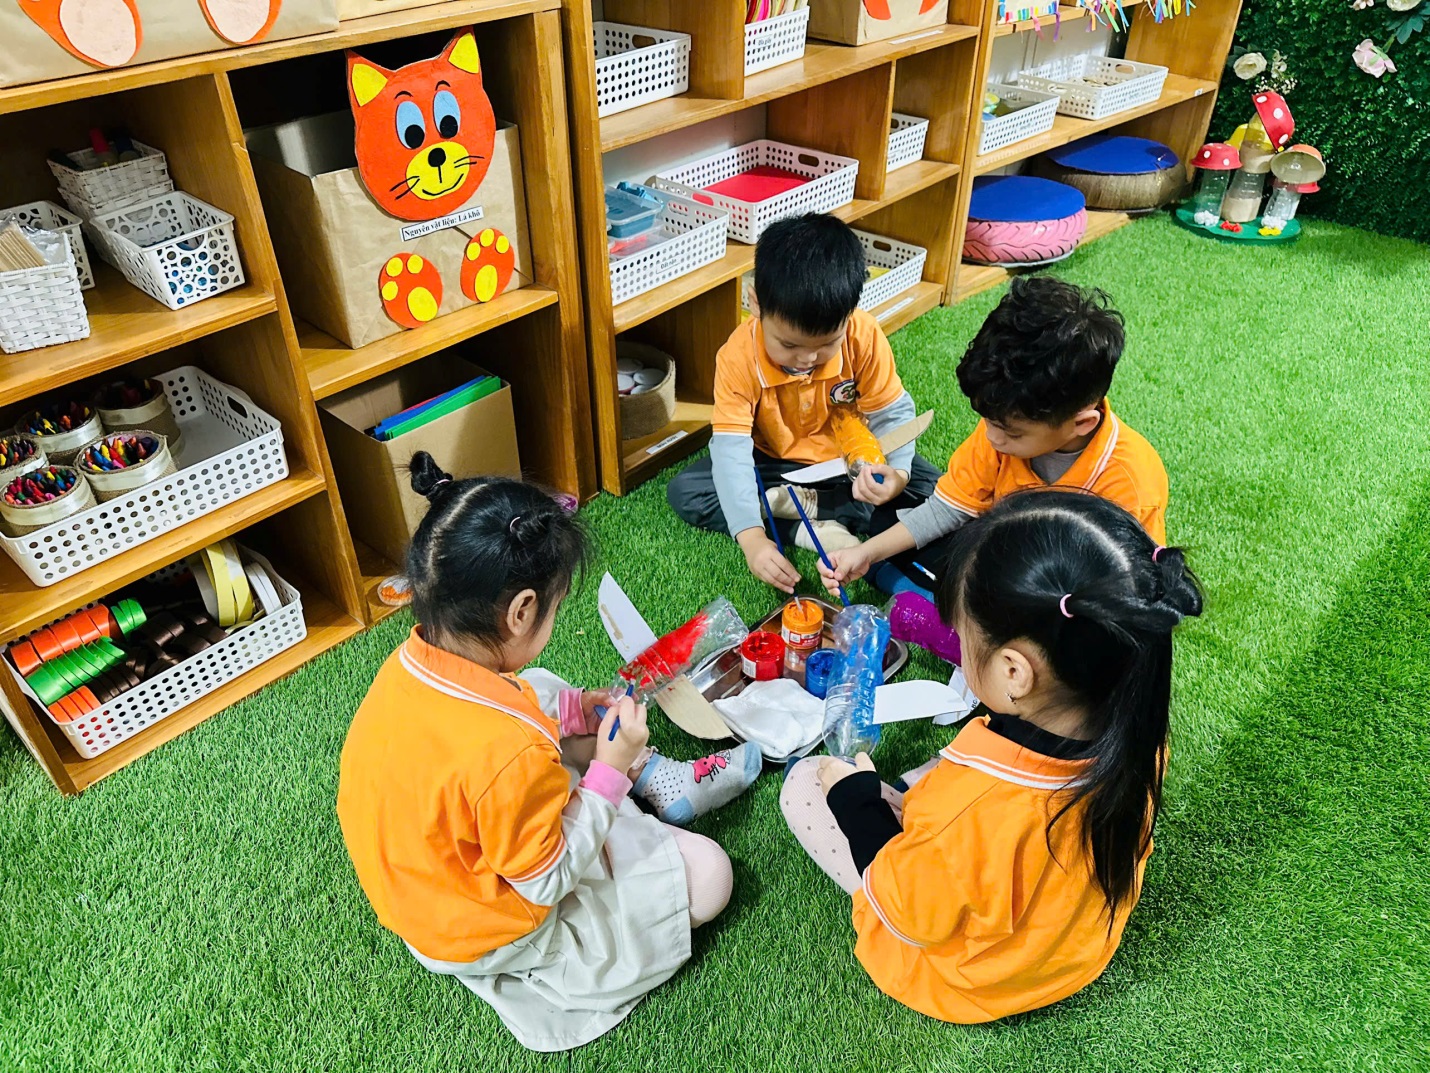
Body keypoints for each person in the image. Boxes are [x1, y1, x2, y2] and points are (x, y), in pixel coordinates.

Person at [336, 454, 760, 1052]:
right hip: (491, 926)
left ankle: (651, 779)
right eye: (555, 608)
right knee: (710, 875)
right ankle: (647, 784)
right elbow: (547, 881)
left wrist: (575, 711)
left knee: (537, 687)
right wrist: (609, 771)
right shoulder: (505, 755)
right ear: (521, 611)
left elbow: (488, 740)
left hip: (429, 884)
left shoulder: (411, 664)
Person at [782, 491, 1203, 1022]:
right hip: (1072, 951)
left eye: (962, 639)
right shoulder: (1139, 738)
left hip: (975, 979)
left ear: (1014, 672)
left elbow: (910, 909)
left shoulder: (974, 811)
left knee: (805, 782)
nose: (959, 650)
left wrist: (853, 797)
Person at [819, 277, 1168, 599]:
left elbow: (1129, 591)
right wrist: (866, 553)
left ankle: (940, 603)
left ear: (1081, 423)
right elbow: (948, 510)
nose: (991, 437)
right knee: (889, 525)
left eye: (1012, 432)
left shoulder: (1128, 482)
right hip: (1001, 553)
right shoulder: (1003, 423)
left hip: (1070, 590)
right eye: (987, 421)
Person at [666, 213, 940, 593]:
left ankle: (804, 509)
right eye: (789, 345)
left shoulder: (863, 335)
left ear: (849, 315)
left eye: (827, 344)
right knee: (688, 491)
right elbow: (731, 451)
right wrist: (752, 539)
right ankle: (808, 523)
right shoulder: (737, 357)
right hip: (774, 463)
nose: (807, 359)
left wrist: (898, 474)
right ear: (755, 304)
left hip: (851, 461)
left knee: (936, 490)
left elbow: (892, 414)